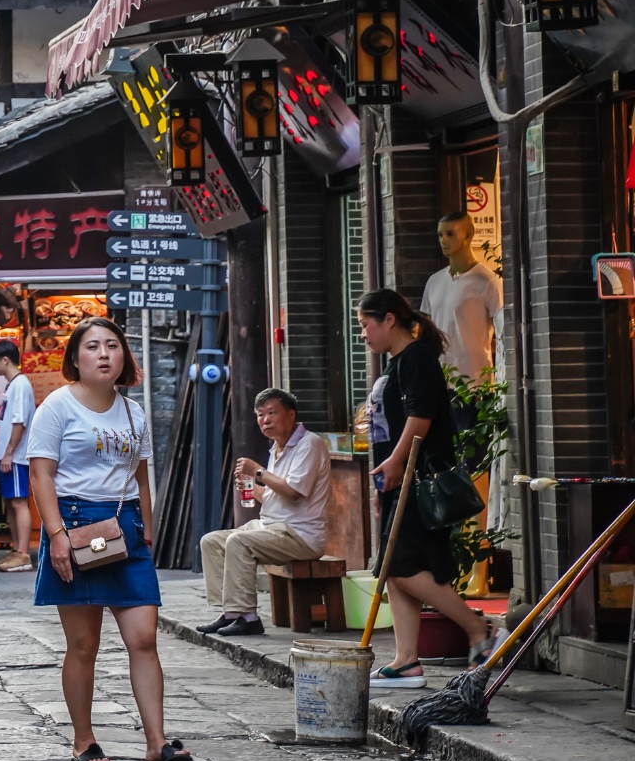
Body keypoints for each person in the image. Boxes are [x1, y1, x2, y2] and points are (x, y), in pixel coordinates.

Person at [30, 317, 188, 761]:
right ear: (75, 358)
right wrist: (56, 536)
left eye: (113, 346)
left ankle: (157, 743)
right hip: (73, 523)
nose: (104, 354)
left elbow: (140, 478)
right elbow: (41, 475)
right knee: (83, 644)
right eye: (93, 346)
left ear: (124, 356)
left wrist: (149, 528)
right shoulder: (56, 407)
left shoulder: (133, 412)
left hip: (125, 528)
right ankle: (83, 738)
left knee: (144, 637)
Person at [358, 289, 496, 687]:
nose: (363, 335)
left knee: (401, 567)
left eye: (366, 325)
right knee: (396, 568)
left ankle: (477, 629)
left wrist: (398, 462)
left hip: (416, 480)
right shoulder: (397, 363)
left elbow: (420, 418)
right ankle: (406, 659)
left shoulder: (416, 358)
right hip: (396, 479)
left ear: (388, 320)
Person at [197, 388, 331, 635]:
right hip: (272, 527)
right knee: (212, 541)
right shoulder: (276, 448)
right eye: (260, 415)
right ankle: (231, 613)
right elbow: (273, 496)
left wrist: (258, 471)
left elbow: (293, 492)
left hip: (300, 534)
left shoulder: (308, 444)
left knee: (239, 542)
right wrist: (252, 487)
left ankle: (249, 618)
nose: (265, 420)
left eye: (272, 413)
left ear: (291, 415)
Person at [422, 212, 501, 380]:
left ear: (468, 234)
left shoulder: (487, 280)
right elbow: (427, 331)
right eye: (440, 235)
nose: (443, 240)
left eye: (450, 234)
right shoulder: (434, 281)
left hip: (475, 381)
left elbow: (503, 334)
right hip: (440, 379)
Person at [0, 340, 36, 572]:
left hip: (16, 456)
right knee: (10, 502)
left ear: (5, 360)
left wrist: (9, 453)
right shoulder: (13, 385)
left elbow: (20, 422)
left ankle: (23, 553)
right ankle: (16, 548)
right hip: (6, 455)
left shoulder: (20, 385)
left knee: (19, 502)